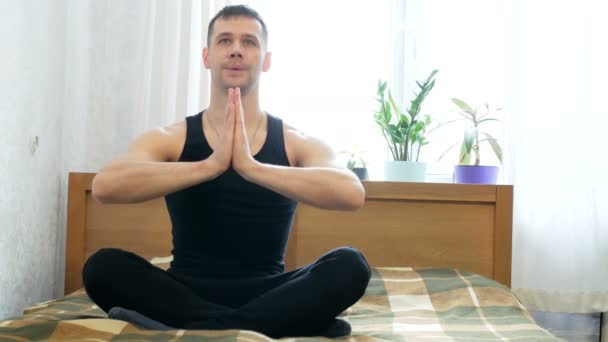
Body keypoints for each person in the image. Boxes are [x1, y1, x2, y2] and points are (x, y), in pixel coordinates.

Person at [82, 5, 371, 339]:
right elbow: (105, 186)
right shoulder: (173, 138)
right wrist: (211, 166)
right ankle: (266, 325)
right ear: (207, 56)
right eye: (225, 41)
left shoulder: (294, 142)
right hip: (185, 291)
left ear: (266, 60)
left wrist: (252, 167)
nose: (236, 49)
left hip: (271, 292)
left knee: (351, 266)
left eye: (249, 42)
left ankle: (201, 328)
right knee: (101, 267)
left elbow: (351, 193)